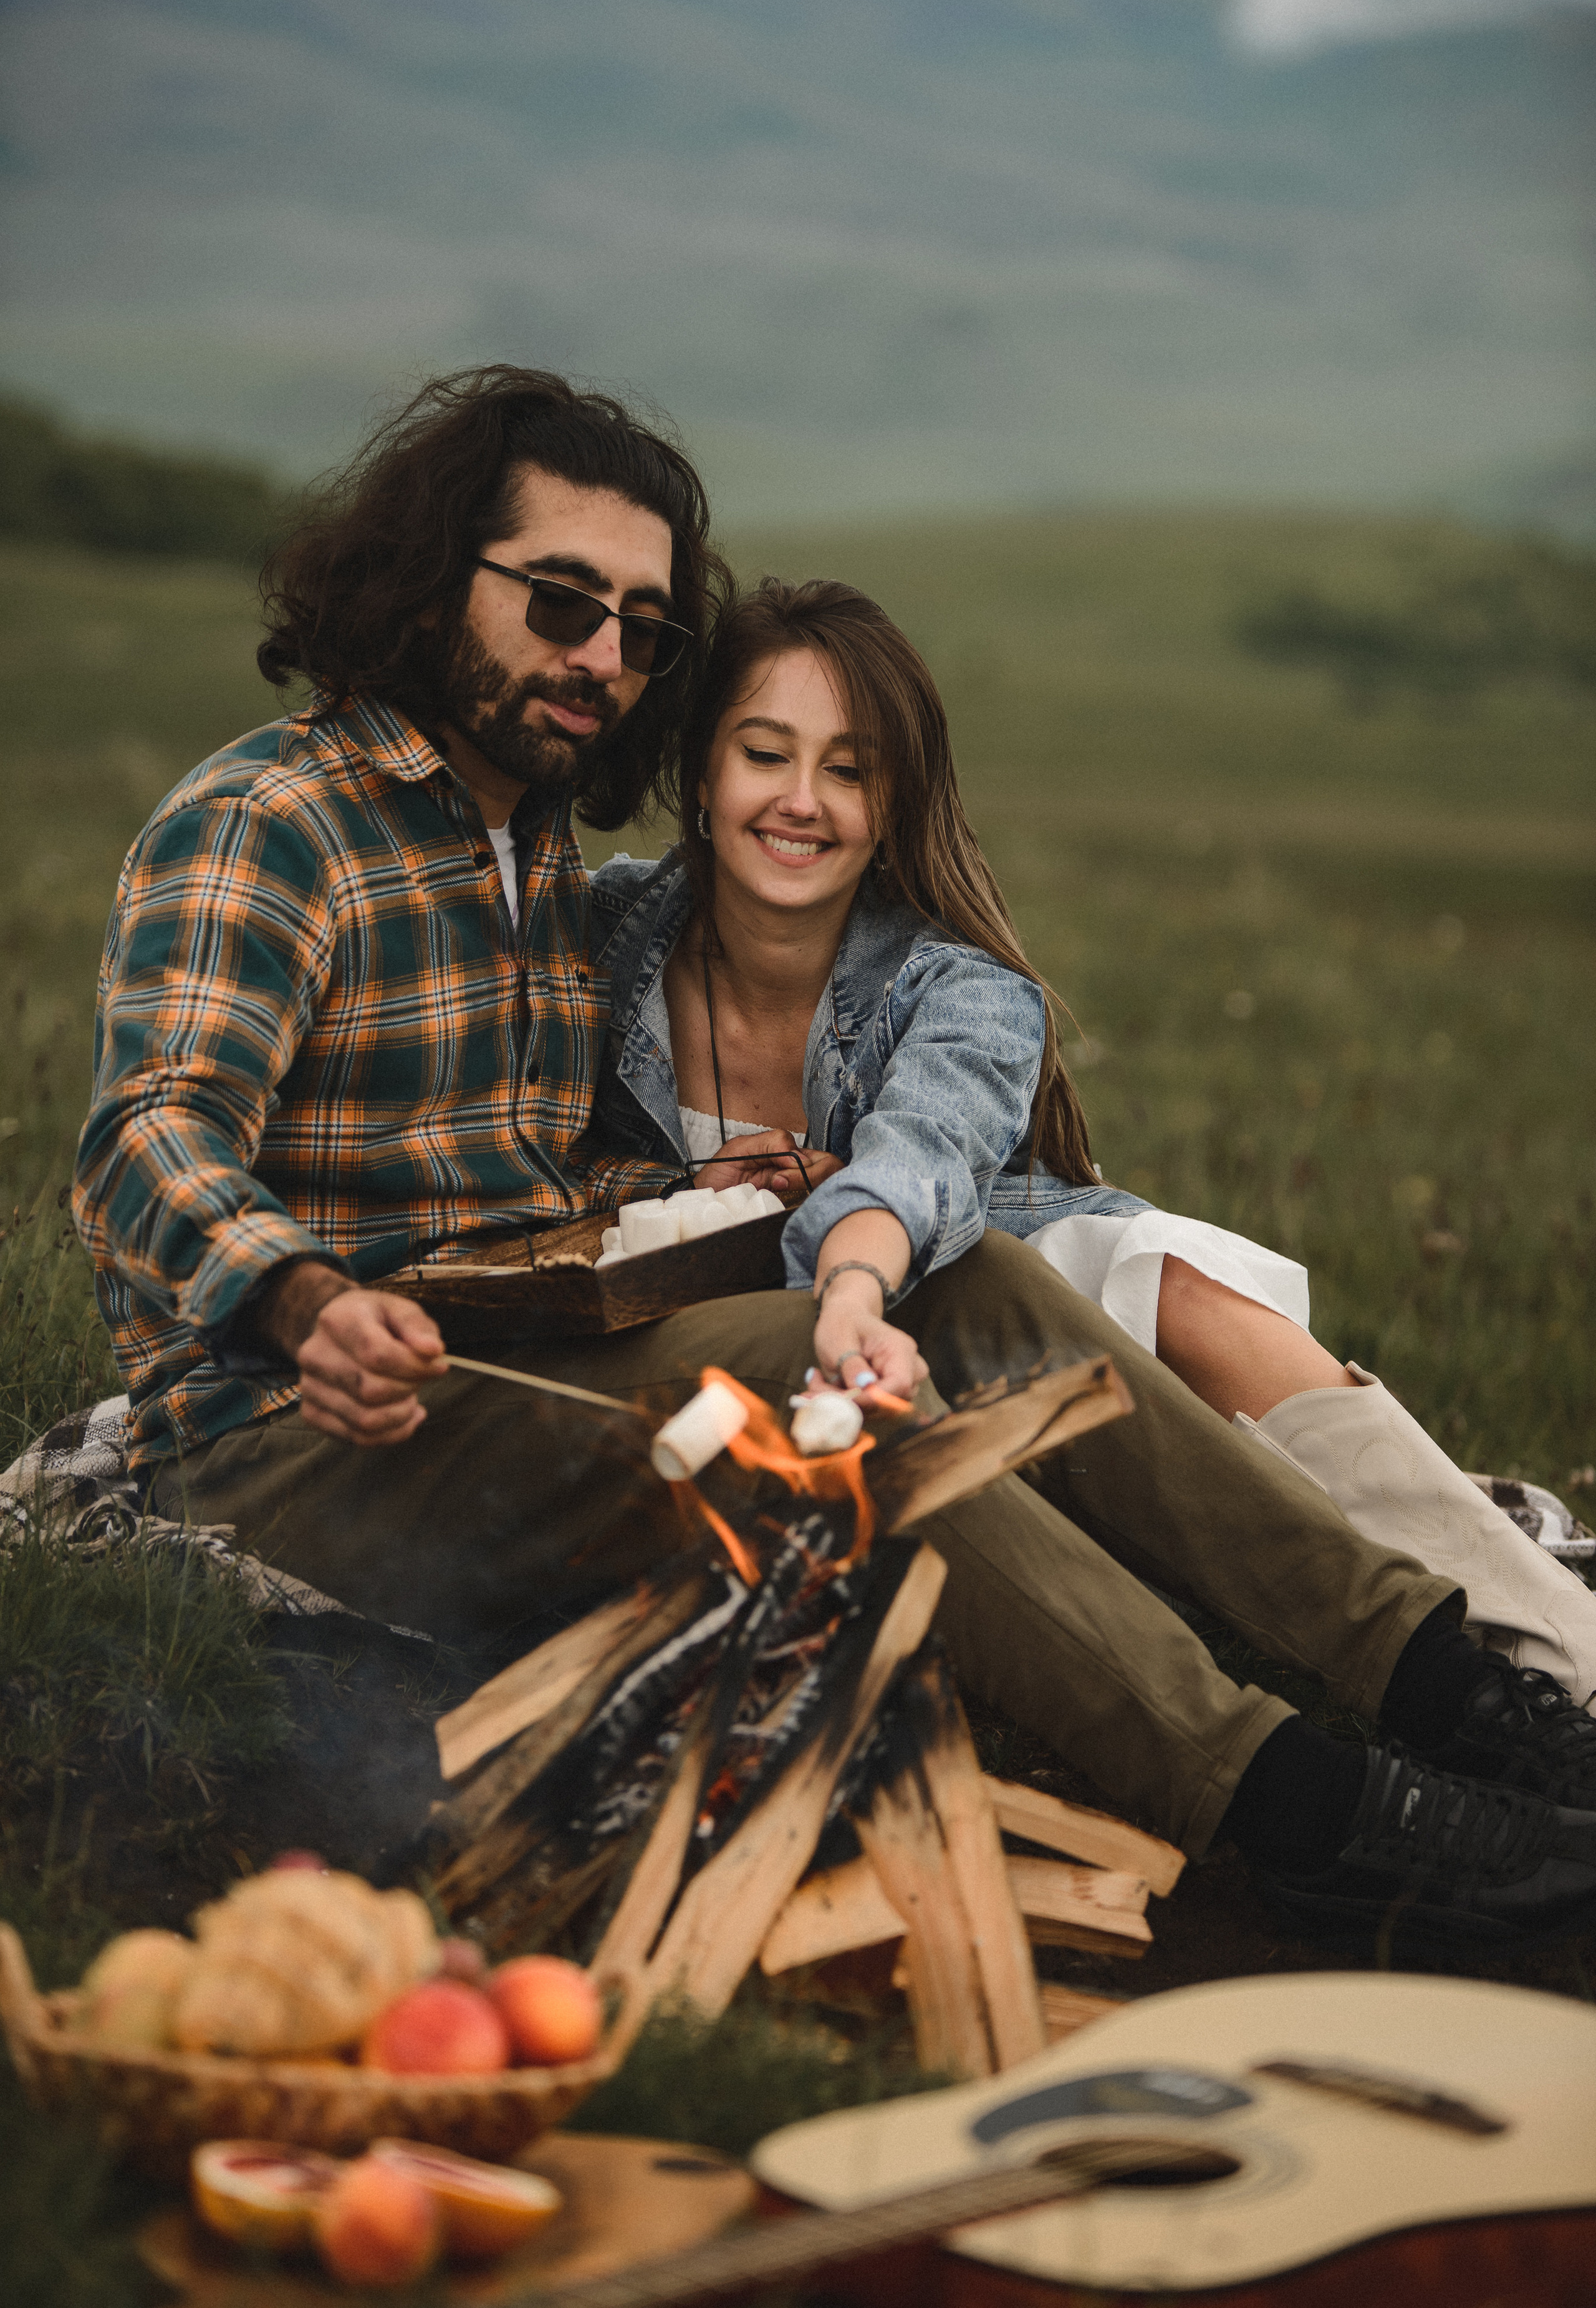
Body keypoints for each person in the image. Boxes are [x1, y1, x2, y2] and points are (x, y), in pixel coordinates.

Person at [72, 367, 1596, 1960]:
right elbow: (145, 1133)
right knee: (806, 1384)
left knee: (975, 1278)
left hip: (502, 1364)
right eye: (561, 602)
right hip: (296, 1433)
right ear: (431, 575)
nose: (600, 657)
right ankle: (1309, 1817)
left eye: (640, 629)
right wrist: (303, 1301)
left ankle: (1455, 1692)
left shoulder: (528, 853)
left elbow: (492, 1188)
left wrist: (729, 1198)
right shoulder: (273, 819)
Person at [589, 576, 1596, 1705]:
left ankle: (1561, 1636)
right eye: (766, 753)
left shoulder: (963, 987)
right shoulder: (600, 939)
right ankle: (1465, 1530)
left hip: (926, 1307)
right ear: (704, 772)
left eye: (849, 769)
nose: (801, 800)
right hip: (734, 1367)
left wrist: (852, 1277)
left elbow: (923, 1152)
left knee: (1160, 1278)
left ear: (894, 801)